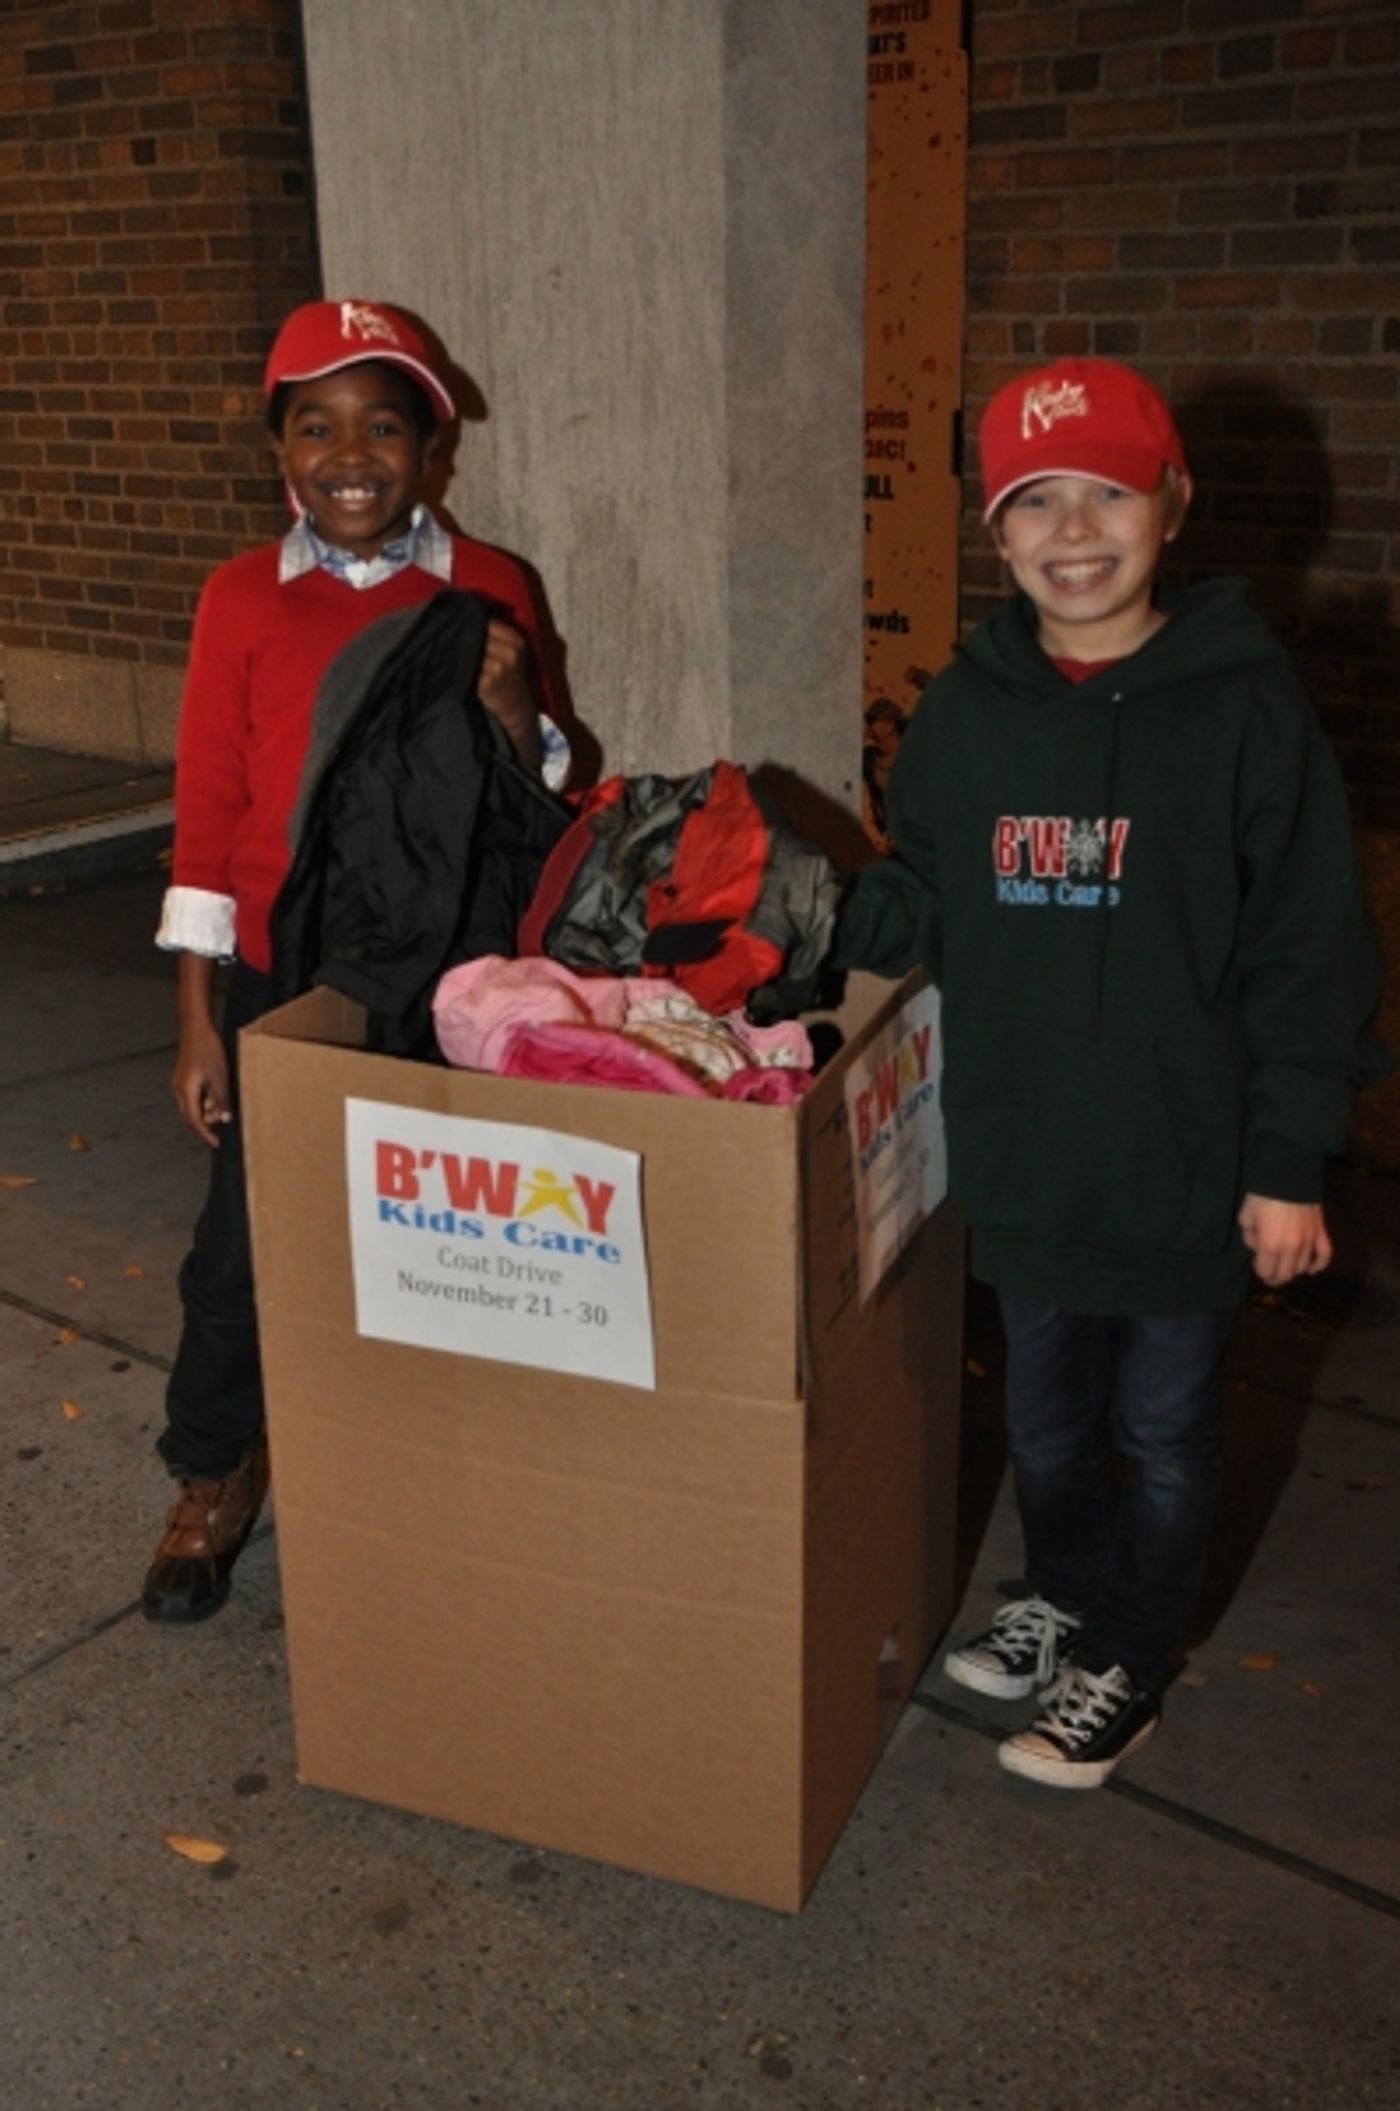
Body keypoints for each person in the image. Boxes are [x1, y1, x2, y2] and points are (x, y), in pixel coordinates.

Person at [834, 356, 1388, 1787]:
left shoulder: (1245, 706)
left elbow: (1310, 950)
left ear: (1173, 503)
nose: (1072, 531)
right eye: (1034, 501)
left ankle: (1132, 1654)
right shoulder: (968, 709)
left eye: (1109, 493)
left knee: (1165, 1429)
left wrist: (1287, 1162)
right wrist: (804, 910)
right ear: (994, 528)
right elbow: (926, 899)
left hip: (1183, 1160)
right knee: (1045, 1422)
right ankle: (1068, 1599)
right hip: (1026, 1150)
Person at [144, 297, 568, 1626]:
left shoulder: (487, 583)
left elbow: (541, 789)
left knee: (434, 1232)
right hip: (285, 976)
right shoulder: (240, 596)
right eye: (317, 425)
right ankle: (214, 1470)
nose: (350, 455)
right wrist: (201, 1018)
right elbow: (208, 812)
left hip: (442, 974)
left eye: (382, 426)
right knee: (242, 1246)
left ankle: (423, 1463)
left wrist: (515, 706)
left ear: (429, 448)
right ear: (281, 448)